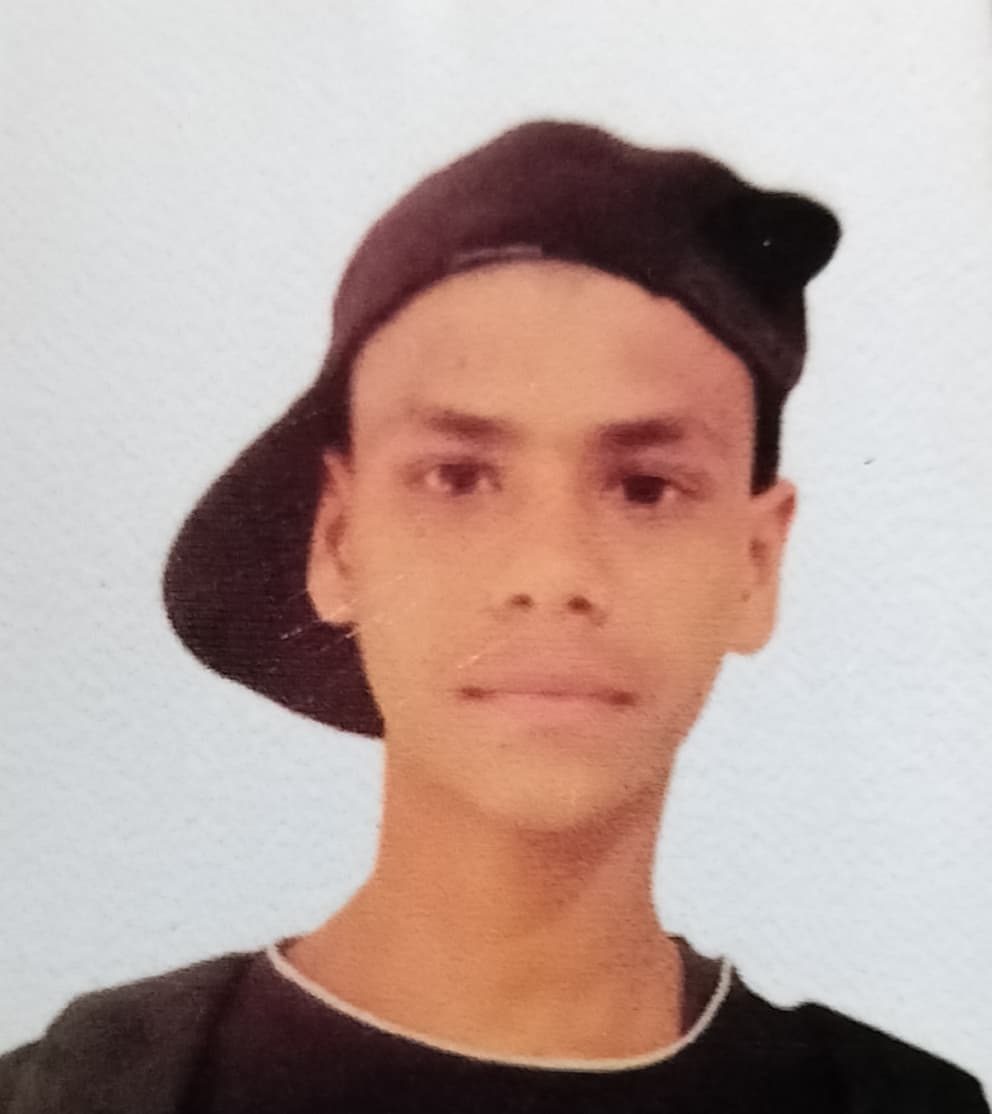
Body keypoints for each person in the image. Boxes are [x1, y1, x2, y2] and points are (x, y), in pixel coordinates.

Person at [1, 120, 986, 1113]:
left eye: (644, 487)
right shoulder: (80, 1097)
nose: (552, 570)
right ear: (337, 543)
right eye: (457, 476)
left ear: (754, 564)